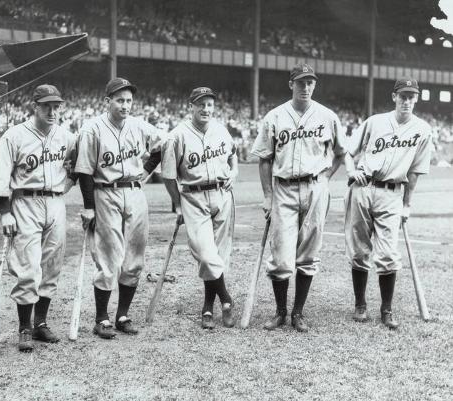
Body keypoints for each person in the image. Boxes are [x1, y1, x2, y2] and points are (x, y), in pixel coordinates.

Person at [251, 64, 351, 332]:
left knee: (309, 253)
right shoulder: (274, 116)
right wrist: (267, 196)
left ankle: (298, 313)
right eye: (300, 82)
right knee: (281, 256)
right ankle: (280, 312)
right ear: (290, 84)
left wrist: (326, 178)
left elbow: (341, 152)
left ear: (314, 85)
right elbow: (264, 159)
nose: (305, 87)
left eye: (310, 82)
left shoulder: (327, 116)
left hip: (316, 186)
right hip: (283, 187)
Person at [74, 77, 163, 339]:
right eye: (119, 100)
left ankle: (122, 315)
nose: (125, 105)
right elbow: (85, 171)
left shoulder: (139, 125)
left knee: (134, 260)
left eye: (128, 101)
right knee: (108, 258)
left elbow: (163, 145)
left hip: (135, 193)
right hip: (106, 193)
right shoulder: (93, 129)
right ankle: (101, 318)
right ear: (107, 101)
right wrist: (89, 207)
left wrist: (146, 170)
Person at [0, 84, 77, 352]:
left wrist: (70, 182)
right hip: (25, 201)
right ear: (35, 106)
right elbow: (1, 176)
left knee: (51, 265)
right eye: (47, 106)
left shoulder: (67, 136)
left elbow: (80, 164)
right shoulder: (14, 136)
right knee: (29, 266)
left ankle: (40, 323)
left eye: (56, 106)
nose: (52, 111)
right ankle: (25, 327)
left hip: (55, 202)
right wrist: (5, 212)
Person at [345, 77, 432, 330]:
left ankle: (387, 309)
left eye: (411, 96)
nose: (407, 101)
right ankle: (360, 304)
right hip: (363, 188)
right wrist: (351, 172)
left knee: (388, 253)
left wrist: (407, 204)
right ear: (394, 97)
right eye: (402, 96)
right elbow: (349, 154)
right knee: (360, 250)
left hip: (393, 192)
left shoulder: (423, 130)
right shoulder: (375, 122)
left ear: (416, 99)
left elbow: (414, 173)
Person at [162, 87, 238, 329]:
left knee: (218, 257)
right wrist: (178, 204)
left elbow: (233, 156)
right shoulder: (177, 135)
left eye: (209, 104)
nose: (206, 109)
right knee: (206, 255)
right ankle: (226, 299)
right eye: (201, 104)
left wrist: (234, 173)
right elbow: (167, 175)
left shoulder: (221, 130)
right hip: (193, 198)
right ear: (191, 106)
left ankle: (208, 307)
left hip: (222, 194)